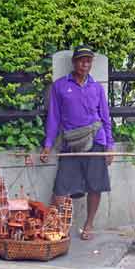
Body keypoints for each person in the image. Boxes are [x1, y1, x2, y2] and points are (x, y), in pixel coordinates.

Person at [40, 45, 114, 241]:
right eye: (81, 60)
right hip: (71, 143)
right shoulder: (60, 86)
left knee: (95, 186)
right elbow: (54, 118)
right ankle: (58, 226)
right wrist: (48, 145)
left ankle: (88, 225)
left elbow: (106, 118)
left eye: (88, 61)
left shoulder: (97, 88)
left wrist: (110, 146)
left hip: (96, 141)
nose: (85, 64)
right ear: (74, 62)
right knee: (61, 188)